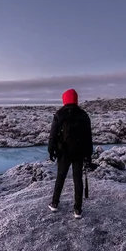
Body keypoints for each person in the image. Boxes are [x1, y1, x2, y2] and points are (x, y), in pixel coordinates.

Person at [48, 88, 93, 219]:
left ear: (65, 99)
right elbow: (88, 137)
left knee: (60, 177)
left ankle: (54, 203)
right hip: (79, 152)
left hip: (64, 152)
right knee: (77, 179)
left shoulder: (59, 114)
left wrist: (51, 150)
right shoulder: (84, 115)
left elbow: (53, 135)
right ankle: (77, 210)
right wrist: (88, 155)